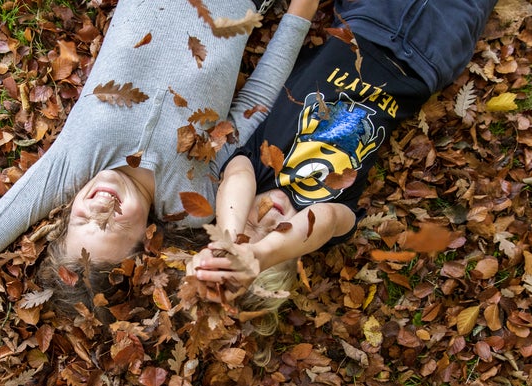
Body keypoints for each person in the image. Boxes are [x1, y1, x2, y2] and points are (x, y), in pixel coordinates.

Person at [0, 0, 320, 386]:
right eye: (109, 227)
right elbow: (261, 94)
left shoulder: (74, 164)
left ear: (65, 211)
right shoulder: (195, 197)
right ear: (145, 240)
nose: (99, 209)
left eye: (84, 221)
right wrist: (304, 7)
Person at [189, 0, 498, 298]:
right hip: (431, 54)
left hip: (365, 23)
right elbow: (322, 222)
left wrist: (230, 241)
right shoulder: (331, 213)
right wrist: (260, 253)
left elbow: (235, 182)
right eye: (278, 235)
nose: (272, 221)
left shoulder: (255, 167)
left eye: (254, 223)